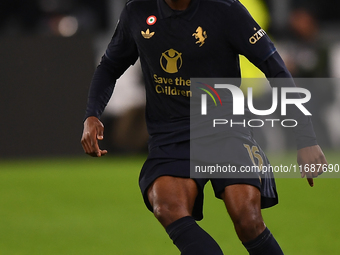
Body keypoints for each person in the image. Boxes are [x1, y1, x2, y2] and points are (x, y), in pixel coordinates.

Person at [81, 0, 327, 254]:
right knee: (166, 206)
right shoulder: (138, 12)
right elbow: (109, 66)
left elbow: (275, 68)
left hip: (225, 129)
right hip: (171, 134)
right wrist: (92, 115)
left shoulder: (225, 10)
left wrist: (305, 137)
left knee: (247, 220)